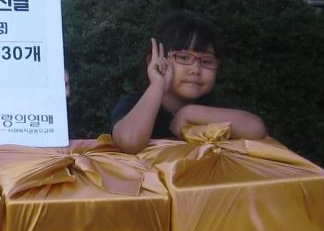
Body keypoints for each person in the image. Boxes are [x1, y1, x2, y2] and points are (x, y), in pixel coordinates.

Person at [109, 10, 268, 154]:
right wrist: (158, 84)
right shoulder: (134, 104)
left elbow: (256, 128)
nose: (196, 69)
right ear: (156, 60)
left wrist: (188, 113)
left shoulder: (211, 107)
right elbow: (129, 142)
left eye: (206, 61)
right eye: (183, 57)